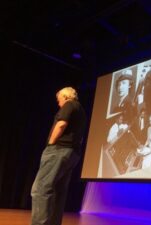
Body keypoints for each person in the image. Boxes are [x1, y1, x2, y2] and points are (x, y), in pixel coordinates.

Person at [31, 87, 86, 225]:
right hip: (72, 154)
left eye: (58, 99)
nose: (58, 103)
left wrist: (50, 144)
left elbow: (61, 124)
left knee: (40, 189)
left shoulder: (69, 104)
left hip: (59, 150)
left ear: (66, 96)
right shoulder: (81, 110)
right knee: (58, 192)